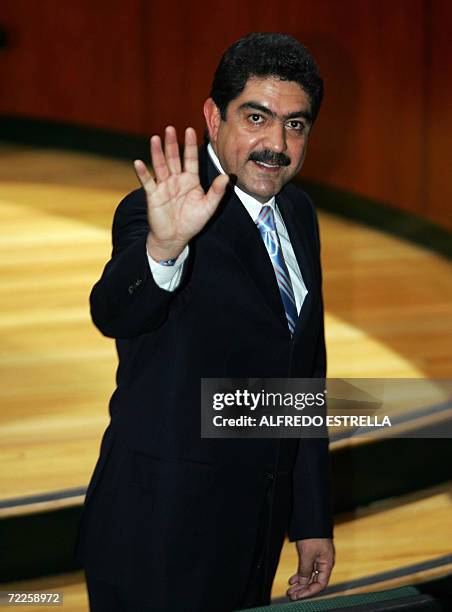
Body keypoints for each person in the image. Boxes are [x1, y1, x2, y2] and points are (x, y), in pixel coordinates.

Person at [76, 32, 335, 612]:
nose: (277, 144)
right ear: (213, 117)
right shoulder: (164, 210)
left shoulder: (298, 212)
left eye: (296, 124)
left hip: (253, 537)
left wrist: (310, 517)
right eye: (256, 117)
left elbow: (304, 380)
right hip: (158, 539)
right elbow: (115, 309)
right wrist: (164, 251)